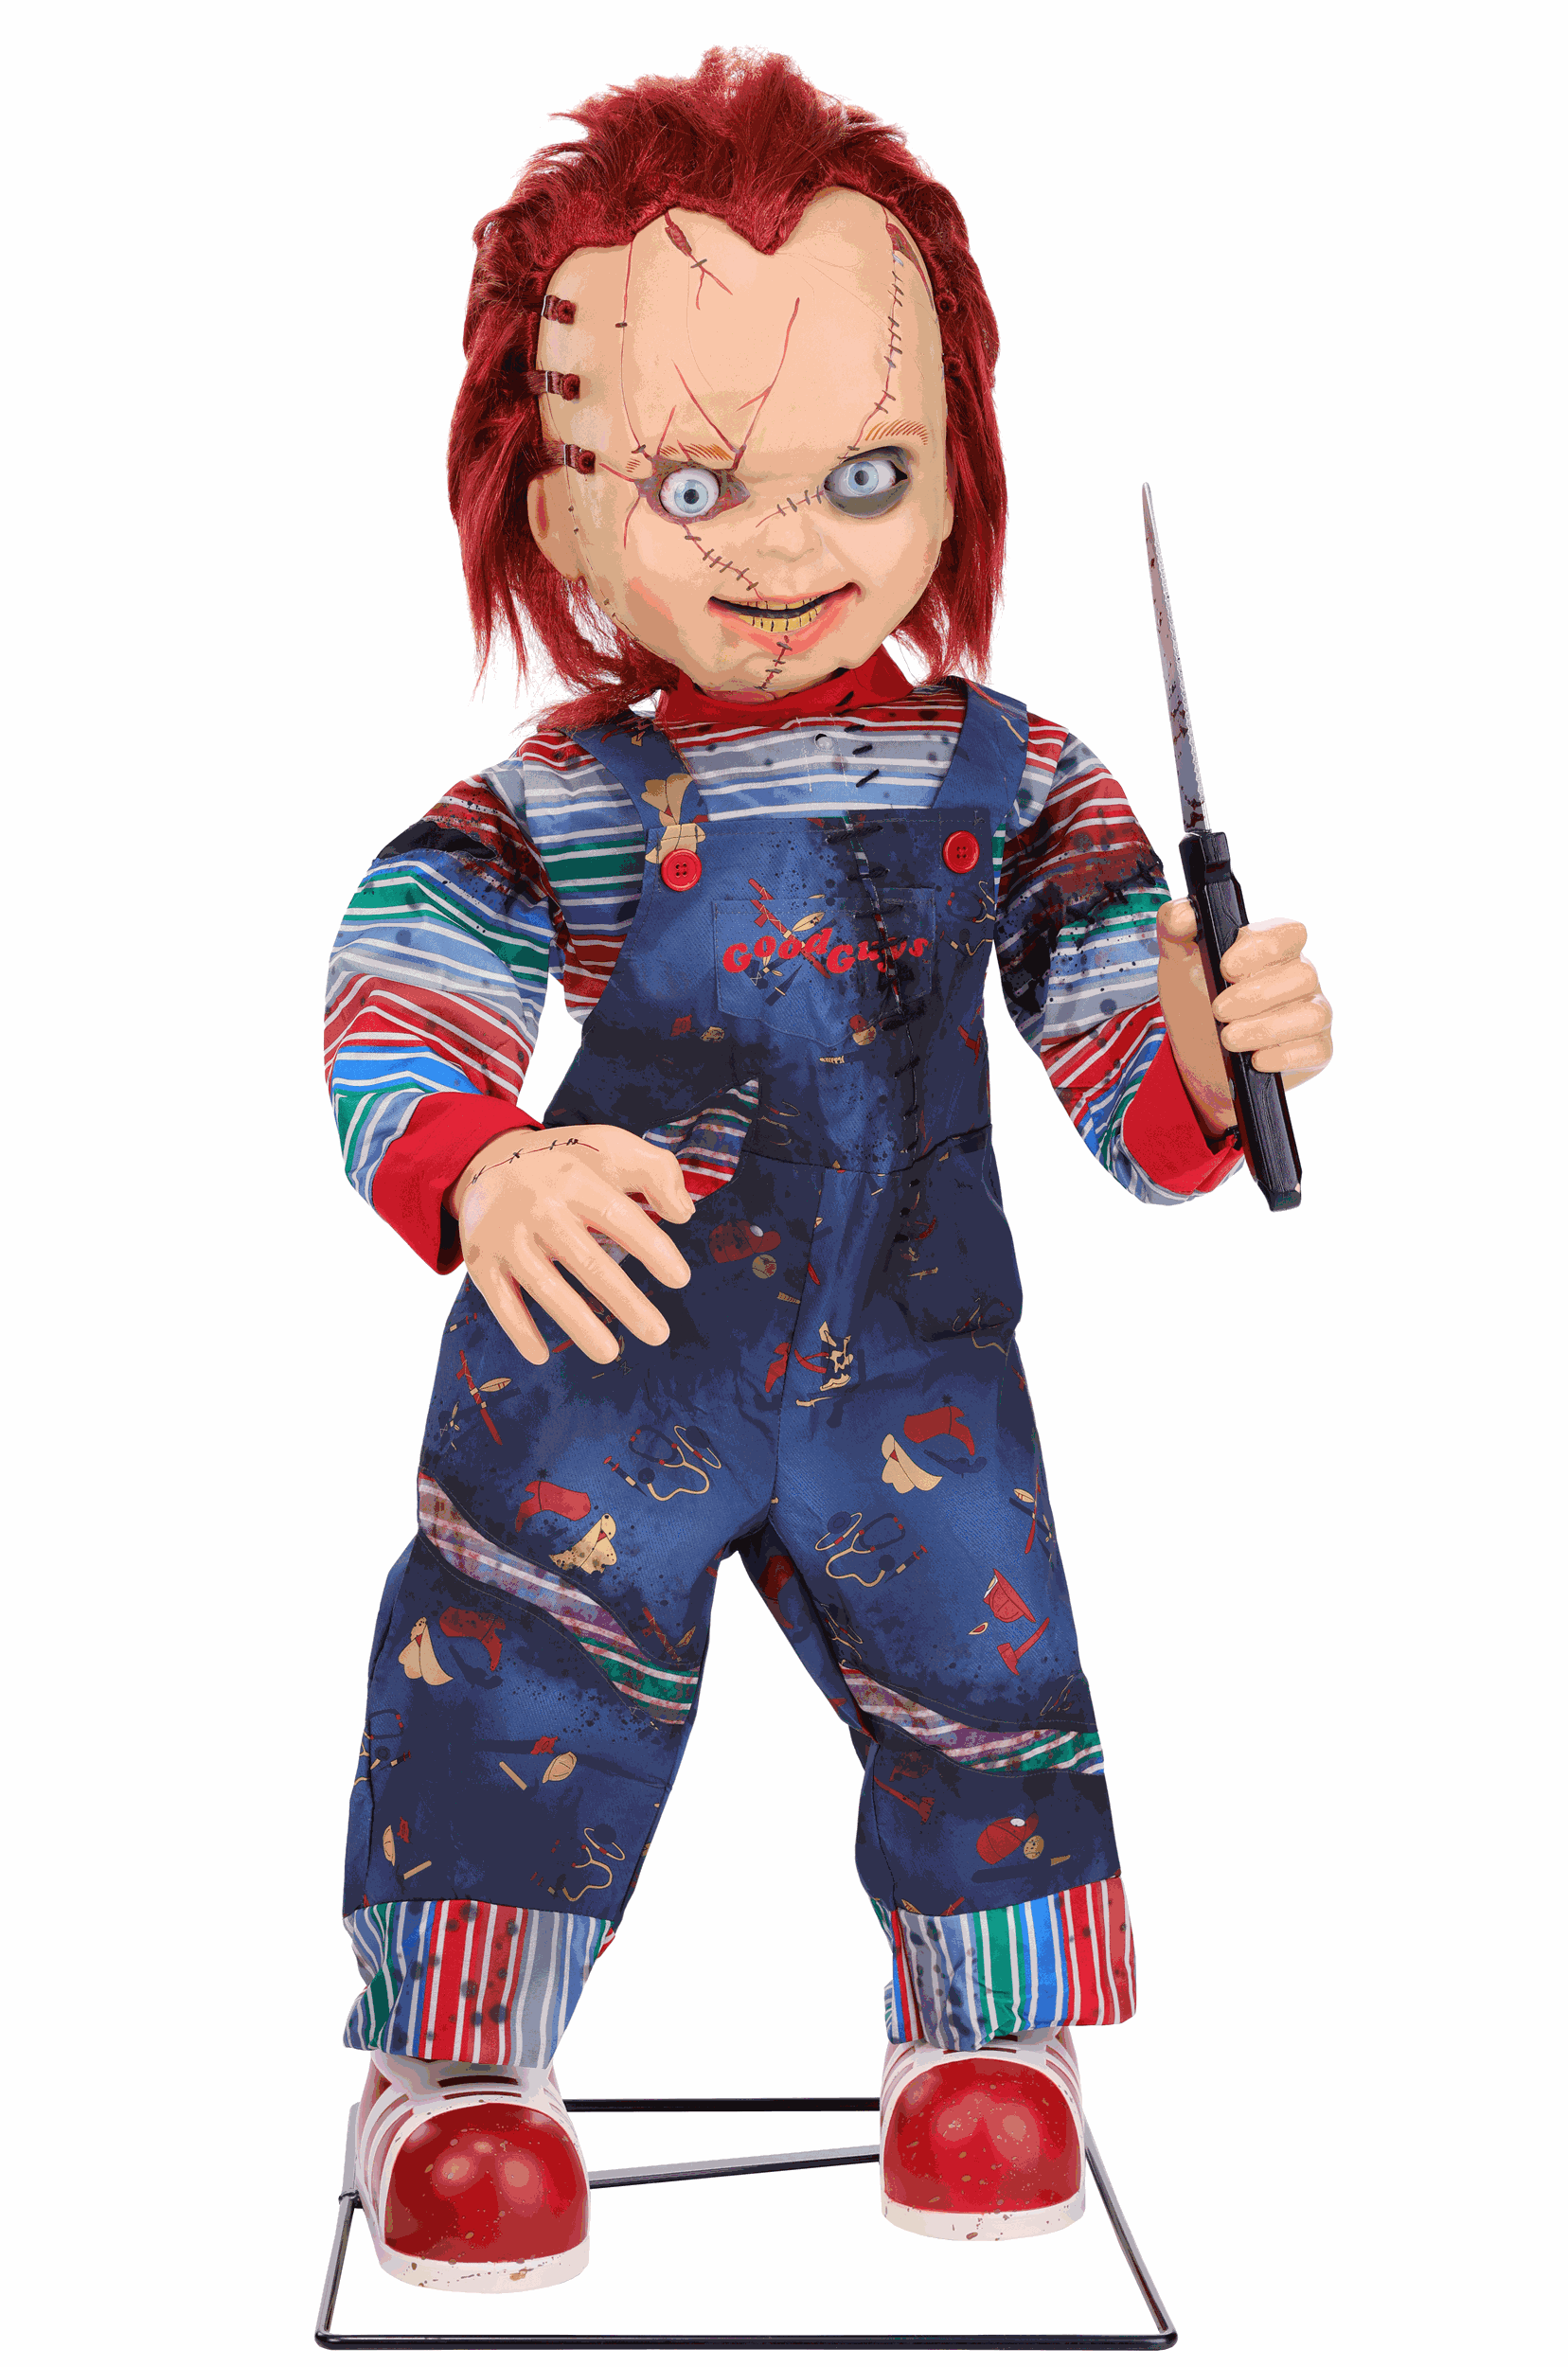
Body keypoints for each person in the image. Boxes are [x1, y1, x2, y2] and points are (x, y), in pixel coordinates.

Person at [326, 49, 1333, 2292]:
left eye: (859, 473)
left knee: (986, 1680)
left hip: (908, 1348)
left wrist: (1200, 1041)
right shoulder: (568, 797)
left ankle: (986, 2040)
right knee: (514, 1671)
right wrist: (482, 1165)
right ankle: (454, 2065)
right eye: (692, 486)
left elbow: (1119, 1036)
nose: (784, 547)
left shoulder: (1022, 779)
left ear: (952, 467)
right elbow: (405, 959)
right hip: (602, 1360)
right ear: (556, 513)